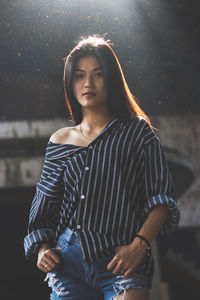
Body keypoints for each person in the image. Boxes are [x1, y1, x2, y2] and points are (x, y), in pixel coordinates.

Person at [24, 35, 180, 300]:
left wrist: (140, 245)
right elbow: (44, 210)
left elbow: (161, 199)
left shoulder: (137, 131)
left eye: (97, 74)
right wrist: (42, 250)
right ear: (70, 82)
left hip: (123, 262)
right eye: (79, 76)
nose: (88, 83)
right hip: (68, 265)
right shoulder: (59, 141)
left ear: (111, 79)